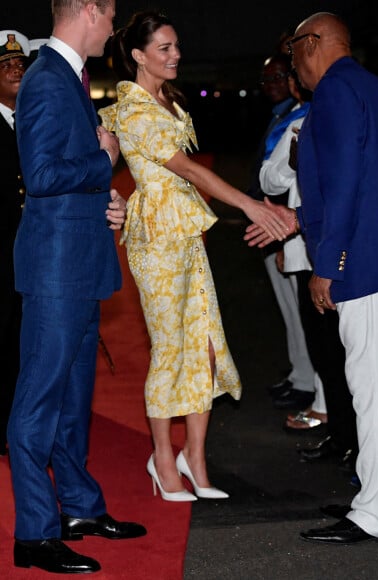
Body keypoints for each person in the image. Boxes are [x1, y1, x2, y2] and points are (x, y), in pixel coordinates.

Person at [246, 12, 378, 544]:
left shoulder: (332, 92)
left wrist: (327, 266)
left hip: (367, 261)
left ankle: (375, 513)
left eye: (292, 57)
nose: (292, 69)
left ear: (313, 45)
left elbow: (343, 187)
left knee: (374, 390)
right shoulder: (373, 87)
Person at [98, 11, 289, 505]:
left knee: (203, 344)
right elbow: (182, 167)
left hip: (184, 232)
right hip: (156, 237)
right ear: (139, 56)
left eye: (176, 46)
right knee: (169, 350)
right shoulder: (133, 108)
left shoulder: (168, 100)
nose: (176, 54)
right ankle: (163, 460)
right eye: (164, 48)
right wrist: (247, 203)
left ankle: (195, 460)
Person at [8, 1, 146, 575]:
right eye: (111, 13)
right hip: (56, 270)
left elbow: (65, 175)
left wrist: (106, 197)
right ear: (89, 10)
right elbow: (40, 176)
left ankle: (80, 509)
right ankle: (34, 534)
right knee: (39, 401)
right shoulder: (45, 79)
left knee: (71, 402)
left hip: (79, 264)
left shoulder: (66, 77)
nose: (114, 27)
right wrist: (103, 159)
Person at [259, 70, 358, 467]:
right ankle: (340, 435)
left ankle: (356, 439)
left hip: (349, 258)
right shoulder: (301, 125)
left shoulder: (352, 127)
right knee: (324, 352)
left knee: (349, 353)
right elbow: (269, 179)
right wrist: (293, 165)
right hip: (305, 254)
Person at [249, 52, 316, 411]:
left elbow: (276, 182)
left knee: (304, 313)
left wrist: (280, 238)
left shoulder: (303, 116)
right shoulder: (284, 116)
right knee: (292, 312)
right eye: (268, 80)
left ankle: (311, 385)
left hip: (289, 228)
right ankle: (301, 374)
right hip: (277, 226)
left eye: (280, 77)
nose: (275, 85)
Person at [0, 29, 31, 456]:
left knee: (21, 340)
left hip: (29, 251)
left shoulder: (30, 118)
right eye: (5, 65)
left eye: (20, 63)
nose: (15, 69)